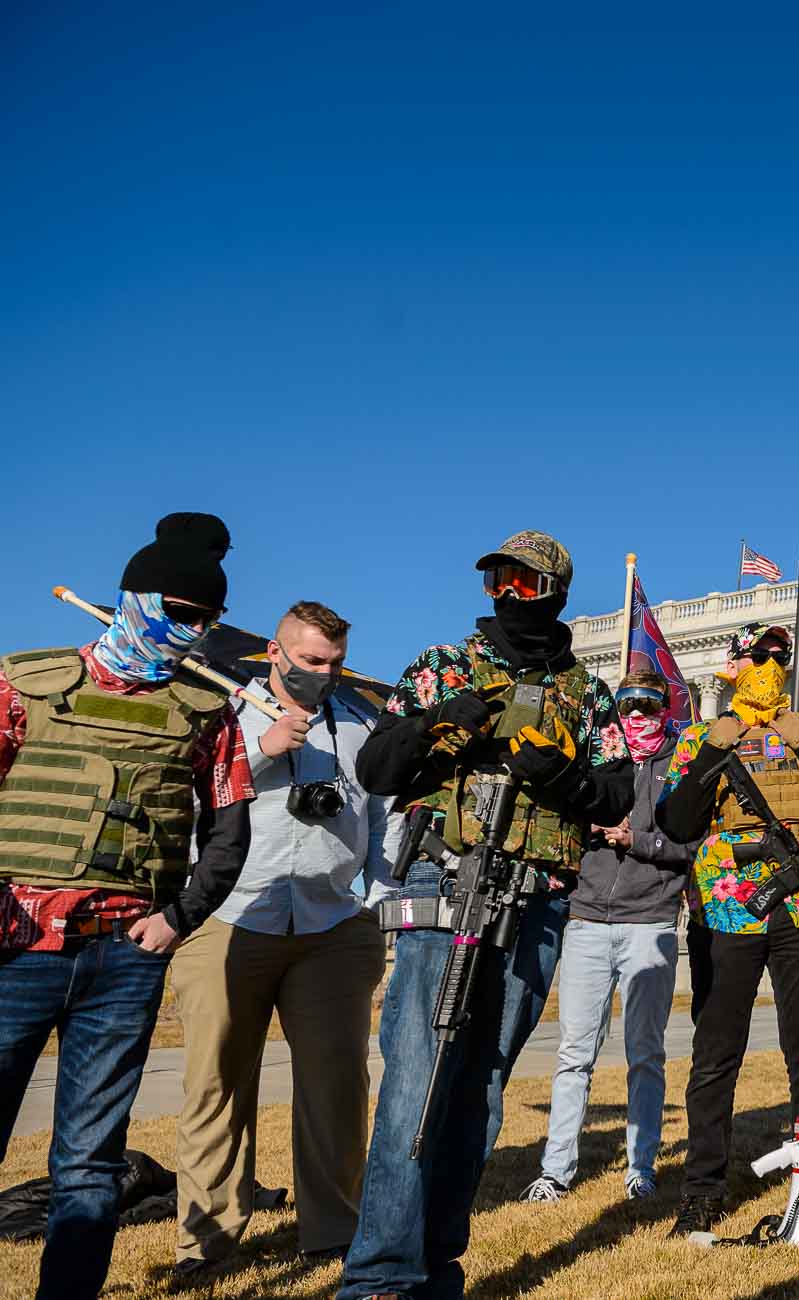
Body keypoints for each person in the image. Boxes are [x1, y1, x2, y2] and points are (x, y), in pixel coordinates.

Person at [336, 531, 632, 1300]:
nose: (506, 595)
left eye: (523, 583)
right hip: (448, 883)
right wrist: (445, 722)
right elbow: (376, 768)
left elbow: (615, 796)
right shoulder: (442, 667)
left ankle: (436, 1268)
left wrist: (558, 771)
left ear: (556, 592)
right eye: (496, 580)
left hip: (533, 899)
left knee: (483, 1086)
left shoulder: (588, 693)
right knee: (417, 1077)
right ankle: (378, 1279)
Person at [0, 514, 255, 1300]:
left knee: (88, 1164)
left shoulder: (206, 711)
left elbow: (229, 830)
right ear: (135, 599)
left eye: (206, 622)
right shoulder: (22, 685)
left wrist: (177, 919)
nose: (192, 633)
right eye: (180, 613)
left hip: (122, 964)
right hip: (13, 957)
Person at [172, 602, 394, 1281]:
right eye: (308, 661)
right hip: (229, 918)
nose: (321, 675)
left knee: (336, 1084)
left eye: (332, 663)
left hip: (333, 924)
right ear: (275, 651)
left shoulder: (360, 724)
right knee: (215, 1083)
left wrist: (377, 902)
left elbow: (384, 820)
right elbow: (187, 805)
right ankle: (205, 1245)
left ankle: (331, 1231)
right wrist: (260, 755)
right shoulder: (217, 718)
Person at [655, 622, 799, 1245]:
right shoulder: (701, 735)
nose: (772, 664)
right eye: (759, 655)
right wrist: (714, 748)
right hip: (726, 908)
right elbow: (676, 819)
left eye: (781, 655)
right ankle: (702, 1192)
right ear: (732, 664)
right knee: (715, 1055)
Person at [522, 669, 695, 1205]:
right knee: (575, 1051)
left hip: (651, 922)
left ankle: (640, 1167)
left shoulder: (679, 769)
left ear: (666, 709)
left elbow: (690, 846)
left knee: (645, 1052)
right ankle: (556, 1170)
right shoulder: (596, 760)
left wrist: (636, 839)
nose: (638, 715)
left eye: (649, 705)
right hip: (588, 919)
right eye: (629, 705)